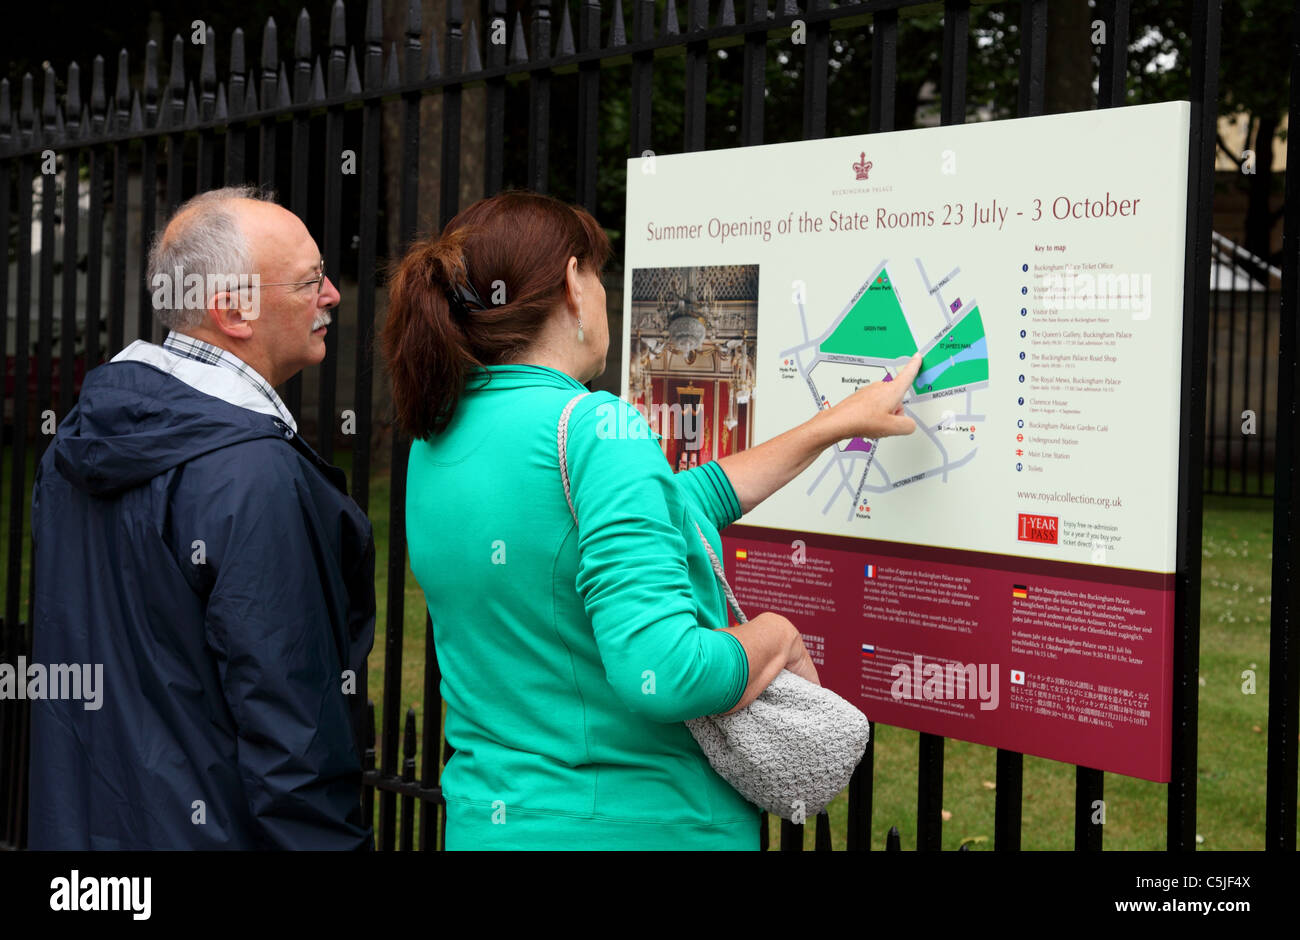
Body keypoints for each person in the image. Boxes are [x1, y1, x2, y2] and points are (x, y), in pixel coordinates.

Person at [381, 188, 921, 850]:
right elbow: (665, 673)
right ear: (574, 285)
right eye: (599, 274)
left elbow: (669, 504)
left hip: (492, 822)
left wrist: (833, 424)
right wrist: (775, 636)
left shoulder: (440, 439)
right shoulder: (594, 428)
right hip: (642, 828)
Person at [28, 185, 376, 849]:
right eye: (310, 280)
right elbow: (293, 737)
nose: (332, 294)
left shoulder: (71, 446)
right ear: (234, 312)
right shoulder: (255, 475)